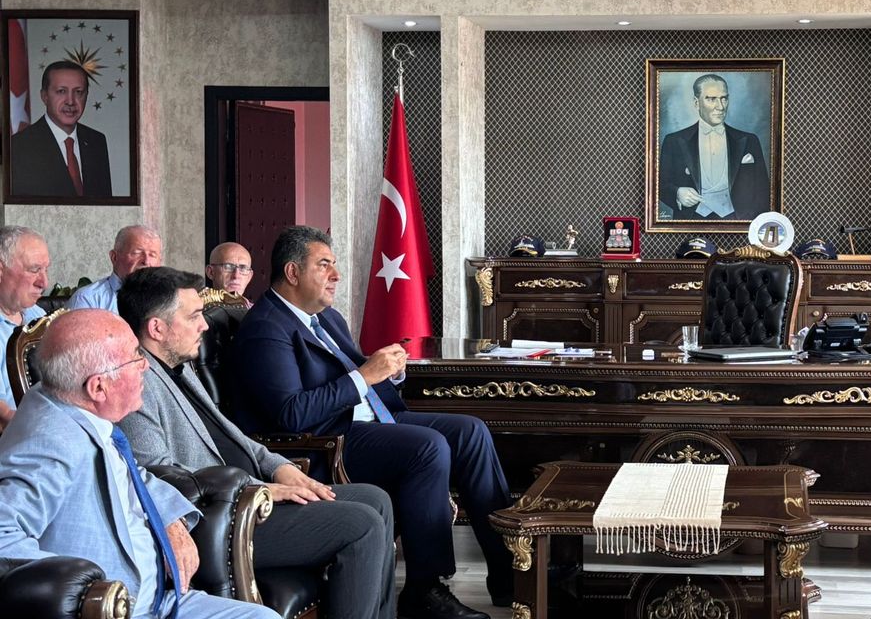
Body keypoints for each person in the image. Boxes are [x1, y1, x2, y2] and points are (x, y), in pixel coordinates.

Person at [231, 226, 512, 619]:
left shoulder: (327, 318)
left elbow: (358, 373)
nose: (336, 275)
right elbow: (291, 413)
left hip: (370, 419)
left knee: (471, 431)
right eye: (324, 265)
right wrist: (364, 375)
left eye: (334, 264)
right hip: (327, 440)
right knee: (427, 448)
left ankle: (509, 573)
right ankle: (425, 590)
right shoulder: (266, 328)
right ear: (292, 272)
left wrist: (389, 372)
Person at [117, 267, 396, 619]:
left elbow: (230, 434)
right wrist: (259, 489)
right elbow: (161, 477)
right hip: (224, 516)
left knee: (377, 500)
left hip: (255, 493)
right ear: (157, 328)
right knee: (362, 525)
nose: (204, 326)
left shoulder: (178, 365)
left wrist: (278, 467)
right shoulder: (136, 386)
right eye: (193, 316)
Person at [0, 308, 279, 619]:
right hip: (121, 609)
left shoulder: (72, 404)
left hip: (165, 600)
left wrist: (169, 519)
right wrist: (81, 594)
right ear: (98, 387)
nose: (145, 365)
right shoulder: (51, 445)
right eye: (135, 357)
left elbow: (131, 471)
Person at [657, 73, 769, 220]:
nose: (720, 107)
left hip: (737, 220)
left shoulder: (749, 140)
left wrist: (754, 224)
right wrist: (677, 193)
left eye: (724, 98)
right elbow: (658, 185)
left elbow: (763, 190)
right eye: (711, 99)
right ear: (696, 103)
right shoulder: (674, 141)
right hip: (690, 220)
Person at [8, 60, 113, 198]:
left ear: (86, 96)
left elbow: (105, 204)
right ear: (44, 96)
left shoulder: (96, 141)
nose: (70, 101)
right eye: (61, 91)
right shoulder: (18, 147)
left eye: (78, 92)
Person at [0, 225, 50, 430]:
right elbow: (4, 417)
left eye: (46, 270)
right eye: (34, 269)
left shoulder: (37, 315)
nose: (44, 283)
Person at [68, 224, 163, 312]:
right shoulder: (88, 299)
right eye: (137, 253)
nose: (146, 261)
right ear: (114, 257)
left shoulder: (168, 299)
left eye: (152, 255)